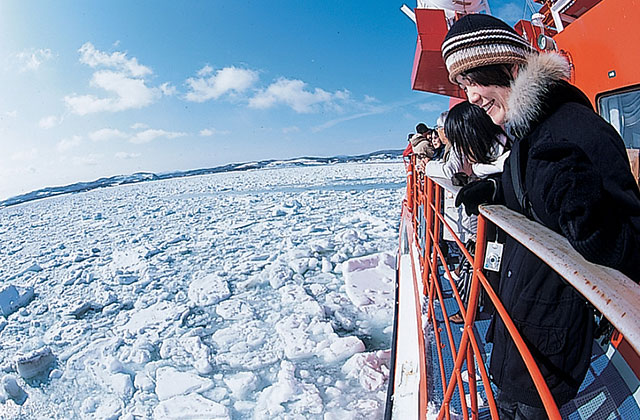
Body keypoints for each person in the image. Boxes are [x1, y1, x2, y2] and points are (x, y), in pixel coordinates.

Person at [441, 13, 640, 417]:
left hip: (549, 334)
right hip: (521, 317)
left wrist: (585, 216)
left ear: (512, 68)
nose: (473, 97)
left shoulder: (575, 129)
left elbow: (628, 240)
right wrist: (496, 191)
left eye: (476, 80)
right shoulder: (530, 131)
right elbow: (532, 198)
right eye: (464, 86)